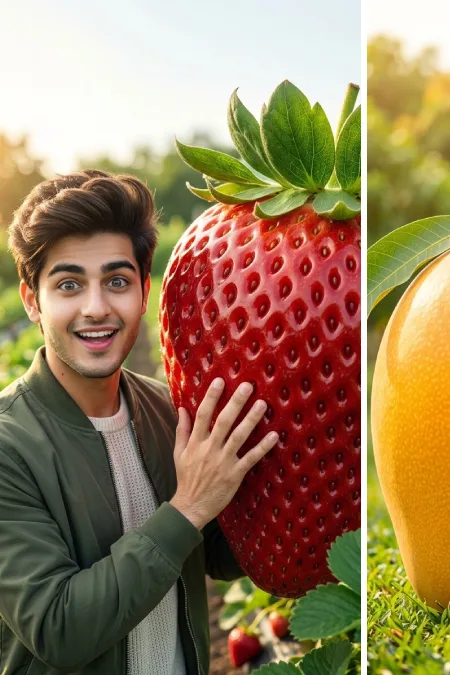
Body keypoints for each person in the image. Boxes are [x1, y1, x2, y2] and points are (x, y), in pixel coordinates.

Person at [0, 170, 278, 675]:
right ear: (31, 301)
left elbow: (218, 553)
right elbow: (57, 627)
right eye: (68, 284)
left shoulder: (169, 410)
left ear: (144, 291)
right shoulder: (7, 444)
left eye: (117, 281)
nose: (96, 308)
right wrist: (188, 505)